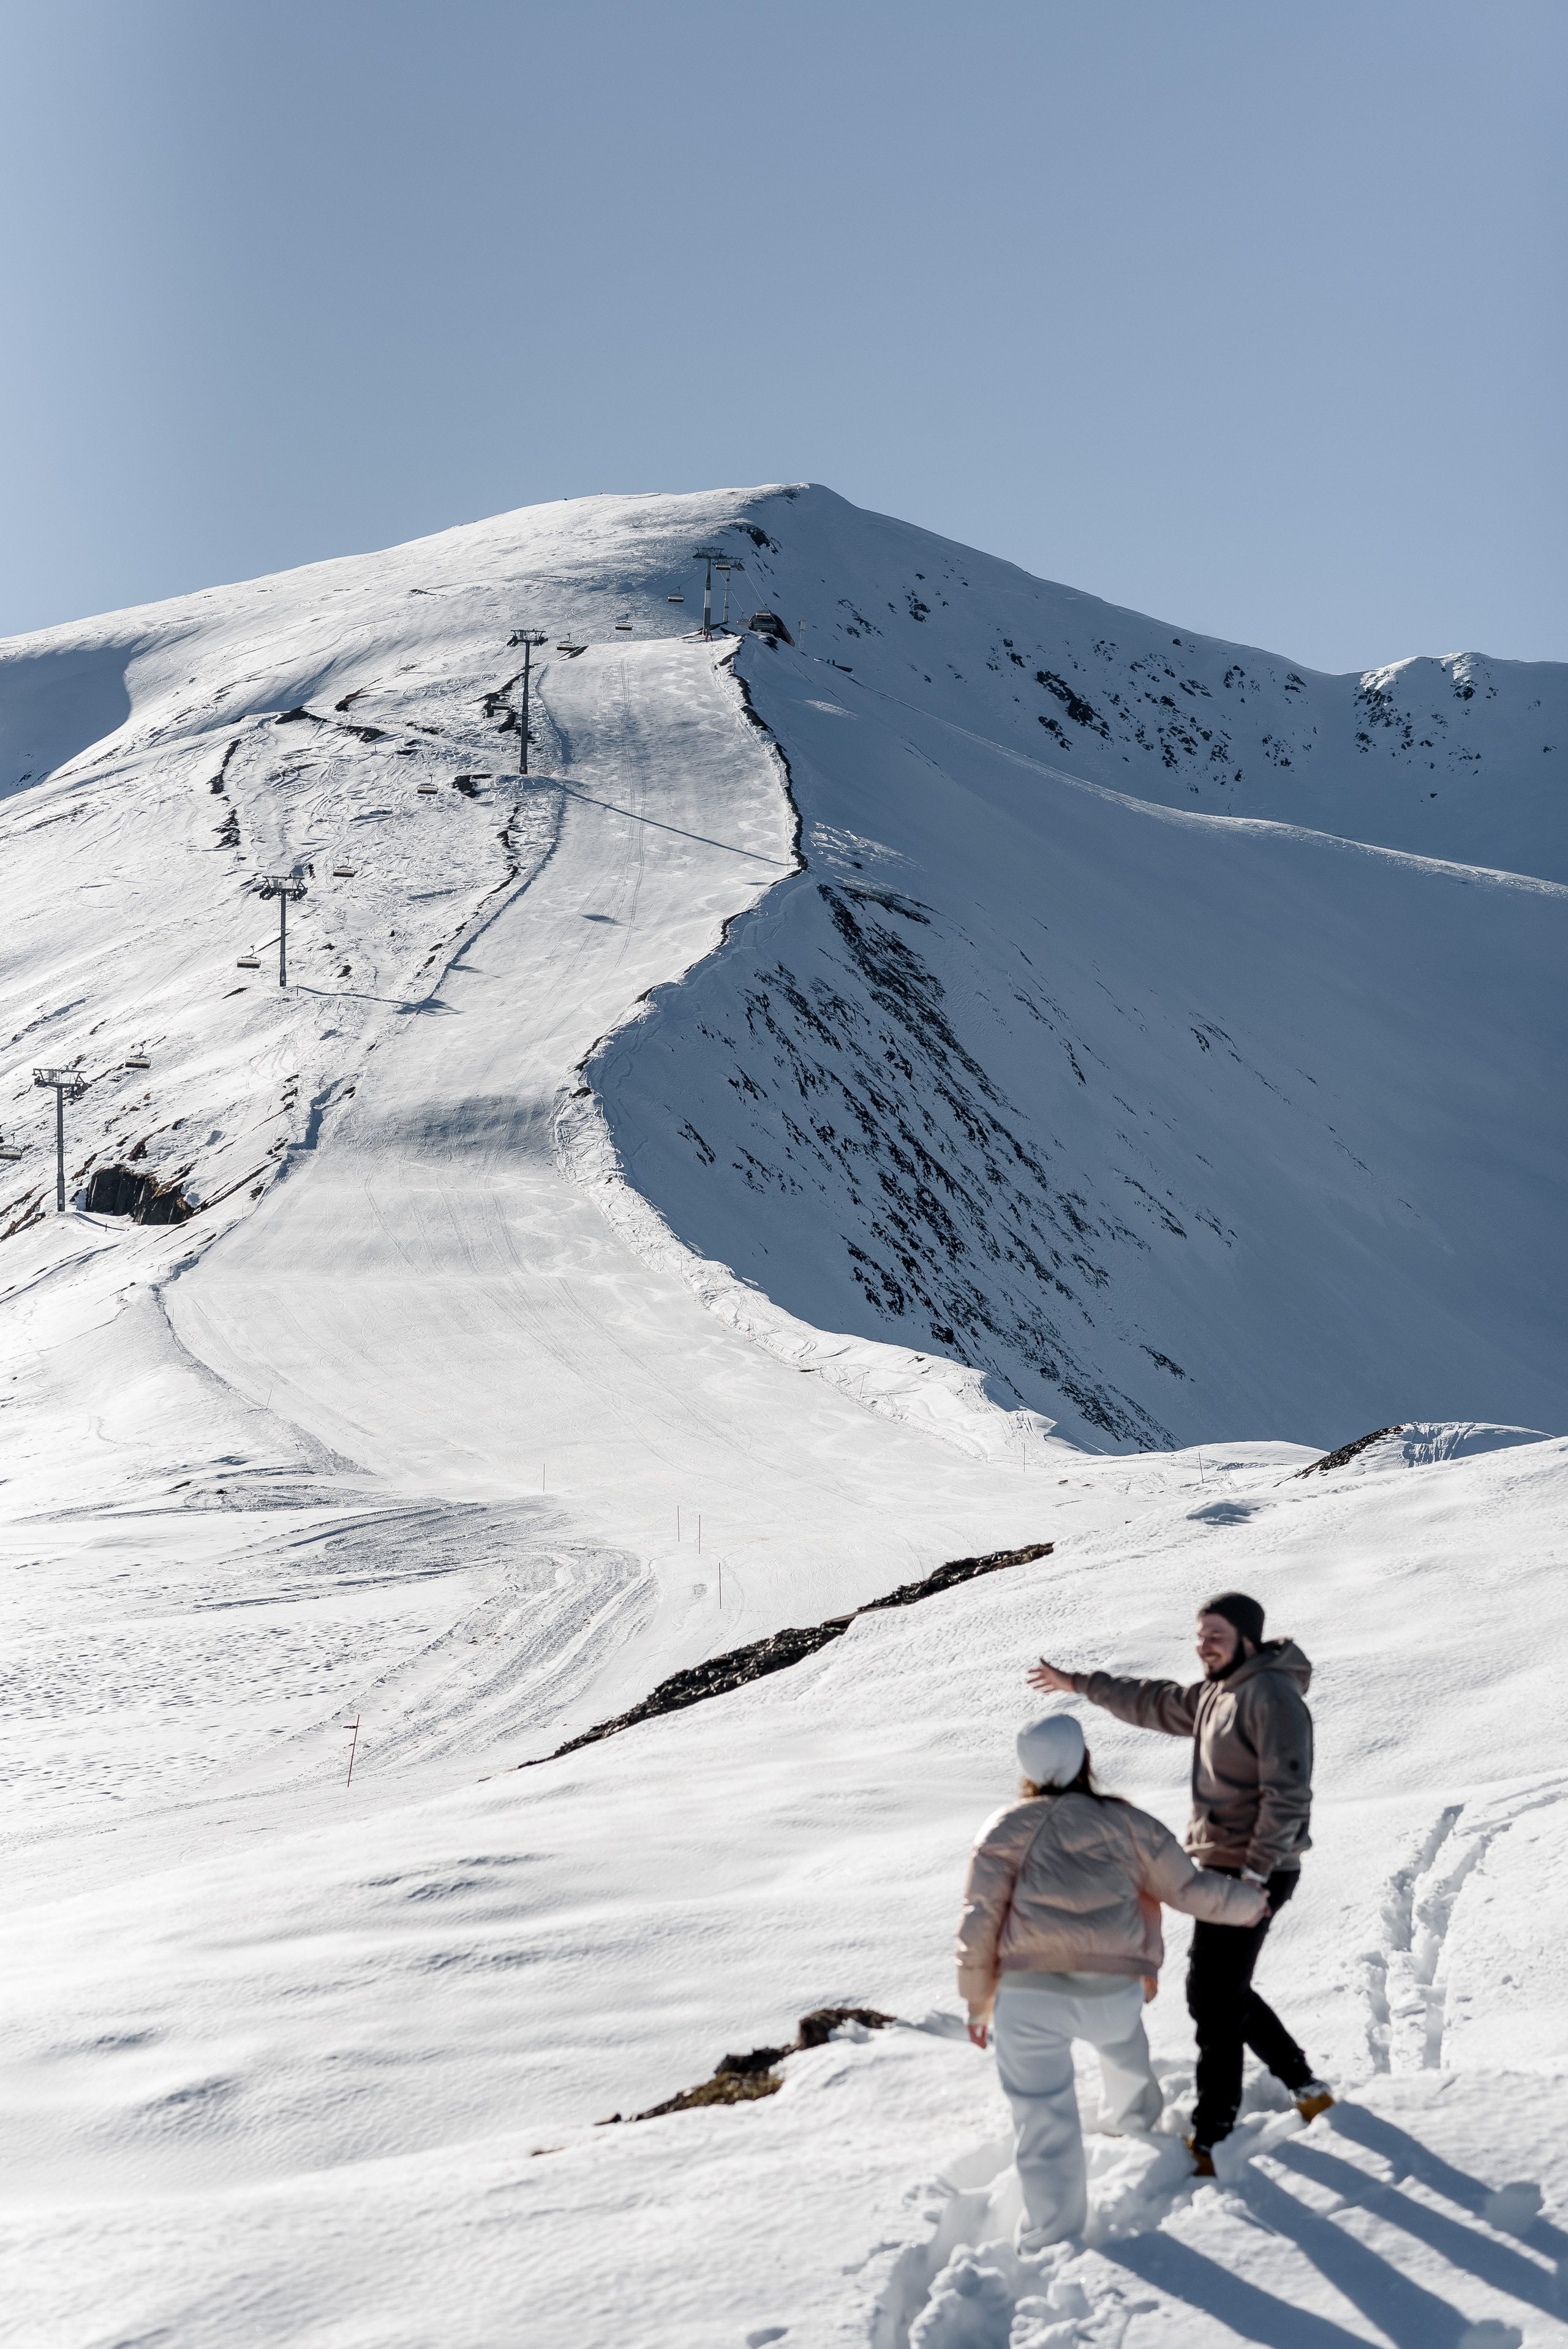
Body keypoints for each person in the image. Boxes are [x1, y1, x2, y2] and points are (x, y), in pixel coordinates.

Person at [1028, 1590, 1334, 2173]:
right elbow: (1156, 1701)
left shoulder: (1271, 1695)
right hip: (1223, 1866)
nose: (1204, 1645)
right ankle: (1303, 2084)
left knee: (1212, 1997)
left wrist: (1254, 1874)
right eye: (1199, 1635)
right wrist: (1079, 1684)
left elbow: (1288, 1794)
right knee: (1223, 1989)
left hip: (1254, 1871)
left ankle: (1215, 2130)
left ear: (1247, 1637)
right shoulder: (1222, 1690)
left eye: (1215, 1634)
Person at [956, 1711, 1267, 2250]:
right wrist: (1251, 1902)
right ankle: (1138, 2128)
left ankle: (1052, 2233)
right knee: (1124, 2051)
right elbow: (1188, 1889)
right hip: (1113, 1988)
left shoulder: (1004, 1828)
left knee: (1041, 2113)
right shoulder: (1129, 1823)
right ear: (1085, 1761)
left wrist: (978, 2001)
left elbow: (980, 1917)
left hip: (1030, 1997)